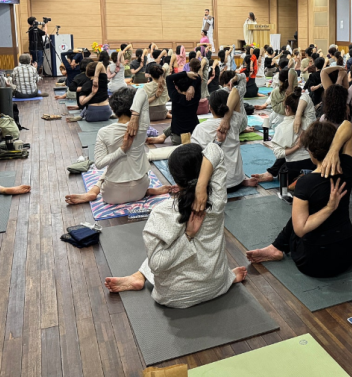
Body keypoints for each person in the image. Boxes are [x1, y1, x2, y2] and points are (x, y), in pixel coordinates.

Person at [104, 142, 247, 307]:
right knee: (177, 249)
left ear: (175, 178)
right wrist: (201, 187)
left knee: (159, 252)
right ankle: (225, 278)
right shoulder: (217, 200)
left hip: (175, 296)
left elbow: (157, 265)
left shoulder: (161, 212)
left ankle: (139, 276)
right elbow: (215, 150)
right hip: (216, 285)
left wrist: (188, 236)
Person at [245, 121, 352, 276]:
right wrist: (334, 150)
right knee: (306, 213)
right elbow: (347, 125)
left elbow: (300, 229)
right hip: (346, 252)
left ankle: (276, 248)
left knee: (299, 217)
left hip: (312, 262)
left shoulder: (305, 183)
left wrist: (329, 208)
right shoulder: (346, 168)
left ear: (310, 151)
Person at [65, 87, 171, 205]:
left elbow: (99, 164)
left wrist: (122, 150)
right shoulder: (143, 127)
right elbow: (142, 93)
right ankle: (148, 191)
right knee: (137, 163)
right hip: (140, 190)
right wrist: (135, 116)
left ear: (113, 109)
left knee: (110, 167)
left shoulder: (104, 132)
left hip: (112, 195)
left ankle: (93, 191)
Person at [189, 87, 258, 192]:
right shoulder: (234, 122)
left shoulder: (200, 128)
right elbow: (235, 91)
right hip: (236, 181)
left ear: (210, 108)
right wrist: (226, 119)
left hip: (214, 185)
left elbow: (194, 157)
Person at [146, 69, 201, 146]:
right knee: (188, 121)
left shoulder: (175, 96)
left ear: (177, 87)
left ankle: (162, 136)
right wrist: (193, 86)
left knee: (176, 121)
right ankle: (162, 137)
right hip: (194, 135)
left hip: (177, 139)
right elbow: (198, 77)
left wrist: (186, 74)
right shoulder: (195, 97)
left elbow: (169, 78)